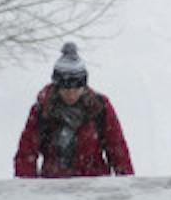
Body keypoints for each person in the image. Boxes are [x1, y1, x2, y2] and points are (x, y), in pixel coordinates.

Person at [13, 43, 134, 178]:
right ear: (57, 86)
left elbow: (117, 149)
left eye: (77, 88)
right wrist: (27, 187)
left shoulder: (100, 107)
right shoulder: (42, 110)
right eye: (65, 88)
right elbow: (26, 153)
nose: (71, 94)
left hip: (95, 185)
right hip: (53, 186)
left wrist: (126, 184)